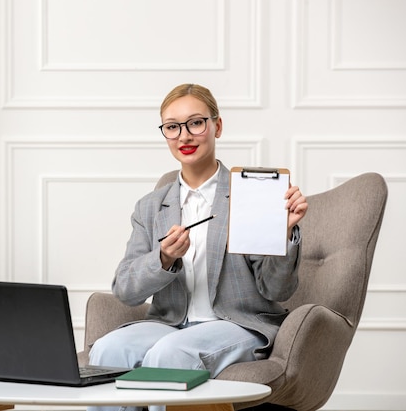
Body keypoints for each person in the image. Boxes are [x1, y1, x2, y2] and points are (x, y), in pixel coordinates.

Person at [88, 84, 308, 411]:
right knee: (107, 351)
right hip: (169, 323)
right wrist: (163, 258)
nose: (184, 136)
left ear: (217, 126)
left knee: (171, 354)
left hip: (238, 324)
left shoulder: (250, 195)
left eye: (196, 123)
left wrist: (284, 233)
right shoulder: (150, 207)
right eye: (172, 127)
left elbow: (277, 289)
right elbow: (126, 290)